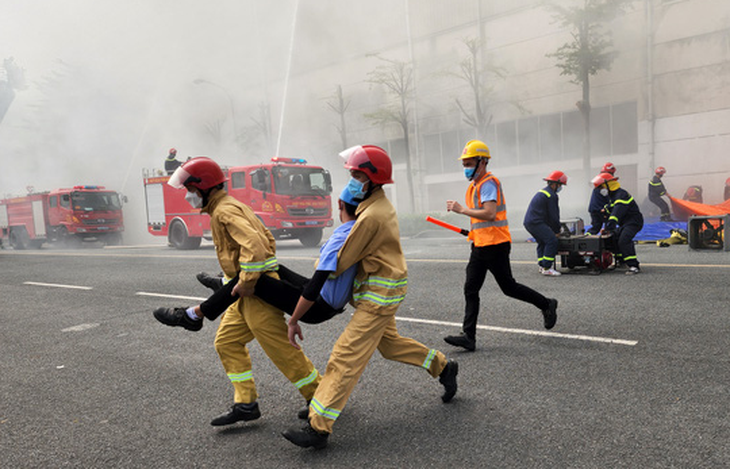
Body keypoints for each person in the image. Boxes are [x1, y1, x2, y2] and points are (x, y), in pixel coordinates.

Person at [281, 145, 458, 450]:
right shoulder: (375, 207)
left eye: (356, 174)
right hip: (384, 292)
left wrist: (322, 259)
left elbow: (339, 263)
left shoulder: (370, 218)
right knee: (390, 347)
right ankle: (443, 366)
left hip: (378, 298)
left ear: (374, 179)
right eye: (351, 173)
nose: (352, 179)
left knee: (344, 356)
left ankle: (318, 426)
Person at [153, 157, 322, 426]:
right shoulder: (228, 206)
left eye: (190, 190)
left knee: (281, 349)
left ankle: (319, 398)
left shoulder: (224, 211)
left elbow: (255, 246)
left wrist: (247, 280)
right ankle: (245, 404)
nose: (188, 196)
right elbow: (267, 237)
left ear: (204, 187)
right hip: (246, 293)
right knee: (226, 342)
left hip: (256, 294)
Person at [155, 185, 362, 328]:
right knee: (274, 269)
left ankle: (194, 315)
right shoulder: (357, 231)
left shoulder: (339, 239)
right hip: (327, 300)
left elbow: (315, 285)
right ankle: (224, 283)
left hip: (318, 306)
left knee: (256, 280)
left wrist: (293, 321)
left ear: (339, 205)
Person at [442, 140, 558, 353]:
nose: (466, 167)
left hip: (495, 245)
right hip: (480, 245)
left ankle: (547, 304)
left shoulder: (488, 183)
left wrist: (461, 210)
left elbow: (489, 213)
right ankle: (469, 336)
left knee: (509, 287)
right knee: (470, 288)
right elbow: (482, 220)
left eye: (469, 163)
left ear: (482, 162)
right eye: (464, 163)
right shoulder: (475, 185)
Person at [591, 172, 644, 275]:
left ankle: (633, 265)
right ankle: (621, 261)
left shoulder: (621, 195)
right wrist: (605, 211)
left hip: (633, 222)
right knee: (613, 238)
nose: (600, 190)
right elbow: (611, 207)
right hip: (625, 223)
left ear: (608, 185)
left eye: (601, 187)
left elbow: (617, 212)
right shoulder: (613, 196)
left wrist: (610, 225)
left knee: (624, 240)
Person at [523, 171, 568, 276]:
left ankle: (542, 265)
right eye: (560, 185)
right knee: (551, 240)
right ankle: (547, 267)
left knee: (542, 242)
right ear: (555, 184)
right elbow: (553, 215)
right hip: (536, 222)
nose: (560, 187)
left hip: (530, 222)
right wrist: (556, 231)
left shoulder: (543, 192)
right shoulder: (551, 195)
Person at [587, 162, 616, 235]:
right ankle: (608, 240)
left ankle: (586, 238)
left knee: (595, 227)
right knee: (609, 226)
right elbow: (608, 197)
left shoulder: (598, 182)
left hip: (594, 209)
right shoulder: (605, 183)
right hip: (601, 210)